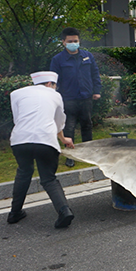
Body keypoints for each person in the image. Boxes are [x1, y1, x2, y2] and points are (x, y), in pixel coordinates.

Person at [8, 71, 76, 228]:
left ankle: (14, 213)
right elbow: (59, 122)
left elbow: (18, 119)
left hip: (20, 140)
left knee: (24, 173)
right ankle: (64, 211)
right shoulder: (55, 95)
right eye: (54, 85)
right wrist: (63, 139)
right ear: (49, 84)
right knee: (48, 178)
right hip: (45, 140)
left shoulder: (16, 94)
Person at [50, 27, 101, 167]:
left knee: (87, 124)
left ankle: (88, 152)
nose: (73, 43)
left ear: (79, 41)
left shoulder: (87, 56)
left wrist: (97, 91)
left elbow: (95, 74)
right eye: (70, 41)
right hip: (68, 98)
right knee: (69, 127)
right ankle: (70, 155)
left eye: (75, 41)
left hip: (86, 97)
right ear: (63, 42)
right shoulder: (58, 59)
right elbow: (53, 80)